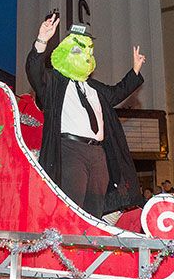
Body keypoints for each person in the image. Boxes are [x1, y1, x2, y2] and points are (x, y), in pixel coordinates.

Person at [26, 14, 145, 218]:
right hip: (70, 150)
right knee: (72, 208)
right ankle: (66, 245)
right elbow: (35, 72)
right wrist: (41, 40)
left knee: (94, 210)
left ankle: (88, 248)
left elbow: (117, 92)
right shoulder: (55, 82)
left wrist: (134, 71)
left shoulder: (94, 88)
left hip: (98, 153)